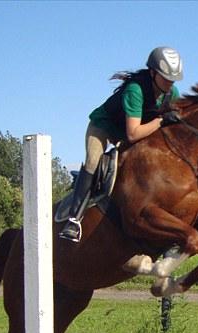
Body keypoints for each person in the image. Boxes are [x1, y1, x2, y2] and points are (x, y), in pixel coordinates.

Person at [59, 46, 184, 242]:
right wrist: (161, 121)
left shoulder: (172, 92)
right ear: (152, 73)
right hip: (103, 127)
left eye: (172, 79)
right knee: (93, 161)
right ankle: (74, 221)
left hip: (128, 133)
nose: (170, 83)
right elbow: (133, 134)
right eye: (165, 77)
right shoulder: (135, 90)